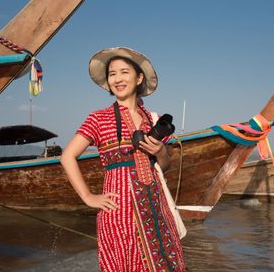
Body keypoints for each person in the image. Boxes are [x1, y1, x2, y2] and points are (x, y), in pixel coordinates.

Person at [61, 47, 186, 272]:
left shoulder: (152, 119)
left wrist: (159, 152)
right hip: (120, 215)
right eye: (112, 74)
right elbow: (67, 157)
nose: (117, 79)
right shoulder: (99, 118)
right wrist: (88, 196)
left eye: (124, 72)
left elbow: (164, 166)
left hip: (156, 211)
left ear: (139, 78)